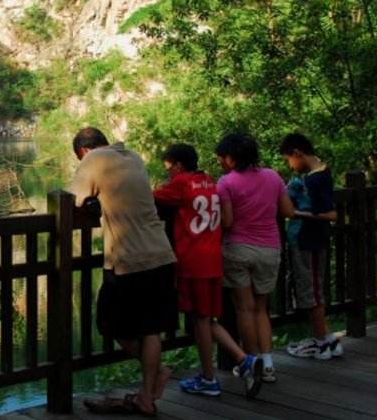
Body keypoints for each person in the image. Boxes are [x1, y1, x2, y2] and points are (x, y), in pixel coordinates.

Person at [68, 128, 178, 417]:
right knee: (150, 329)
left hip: (129, 260)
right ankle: (146, 394)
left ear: (84, 152)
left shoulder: (93, 160)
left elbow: (71, 198)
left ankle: (159, 373)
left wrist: (88, 201)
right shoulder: (133, 157)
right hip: (161, 254)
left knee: (110, 324)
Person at [153, 144, 263, 400]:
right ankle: (241, 361)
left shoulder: (181, 184)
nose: (168, 174)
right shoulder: (208, 181)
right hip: (213, 259)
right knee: (205, 319)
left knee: (200, 321)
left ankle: (211, 378)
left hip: (193, 262)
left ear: (178, 166)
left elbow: (149, 197)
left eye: (168, 168)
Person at [215, 133, 294, 385]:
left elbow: (226, 222)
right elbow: (287, 211)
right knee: (261, 309)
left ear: (230, 158)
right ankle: (268, 363)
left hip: (238, 249)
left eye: (220, 158)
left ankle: (252, 361)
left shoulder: (226, 183)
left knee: (244, 309)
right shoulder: (272, 176)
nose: (219, 162)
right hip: (270, 249)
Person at [279, 132, 342, 359]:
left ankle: (319, 343)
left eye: (289, 159)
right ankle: (327, 338)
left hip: (309, 241)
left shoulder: (314, 180)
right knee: (311, 289)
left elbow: (331, 214)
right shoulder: (321, 171)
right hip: (313, 240)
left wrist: (295, 213)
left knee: (311, 292)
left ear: (297, 153)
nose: (290, 164)